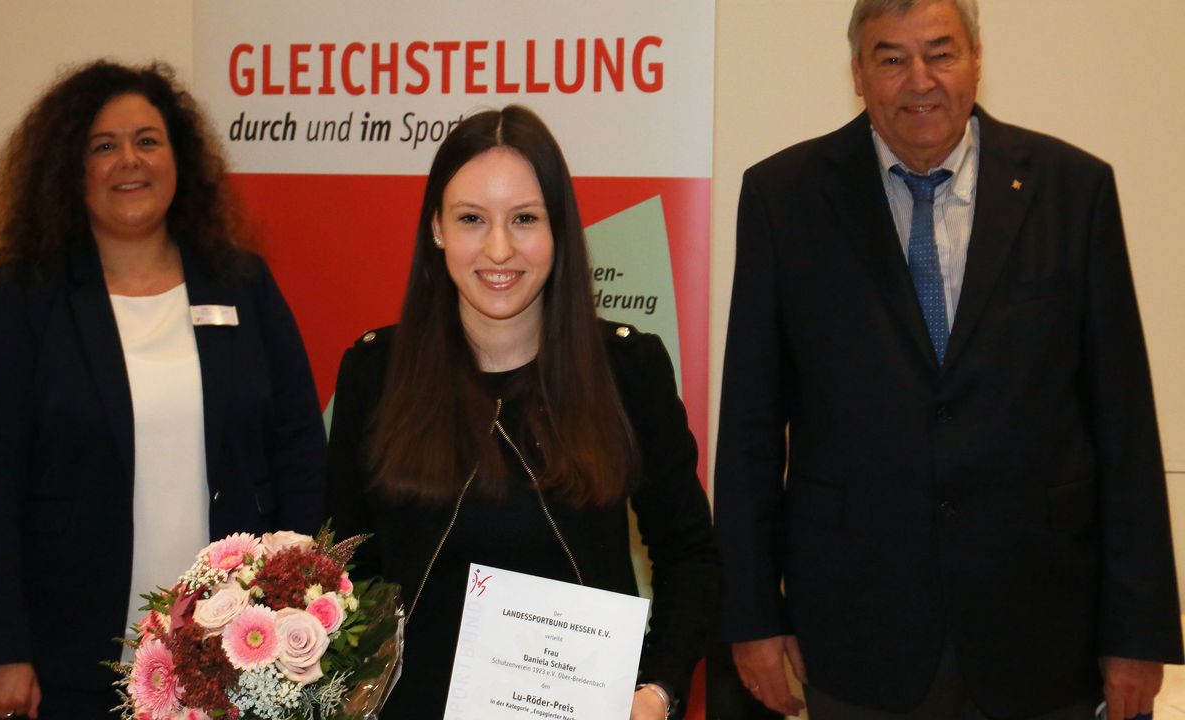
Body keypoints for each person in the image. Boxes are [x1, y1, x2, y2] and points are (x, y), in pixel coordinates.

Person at [714, 1, 1183, 719]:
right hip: (855, 637)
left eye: (941, 52)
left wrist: (1140, 629)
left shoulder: (1072, 189)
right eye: (891, 58)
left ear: (976, 58)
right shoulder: (784, 198)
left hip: (1044, 636)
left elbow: (1124, 424)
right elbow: (749, 428)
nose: (920, 80)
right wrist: (750, 618)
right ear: (857, 74)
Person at [0, 60, 327, 719]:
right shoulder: (23, 300)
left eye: (148, 140)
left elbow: (298, 447)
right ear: (71, 169)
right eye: (103, 145)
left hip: (237, 657)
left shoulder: (242, 285)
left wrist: (306, 604)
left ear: (178, 159)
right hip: (72, 665)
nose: (130, 160)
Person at [325, 105, 720, 719]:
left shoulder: (628, 370)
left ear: (559, 228)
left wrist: (658, 690)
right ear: (437, 228)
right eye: (472, 220)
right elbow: (345, 562)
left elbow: (689, 553)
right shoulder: (375, 372)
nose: (500, 249)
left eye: (525, 219)